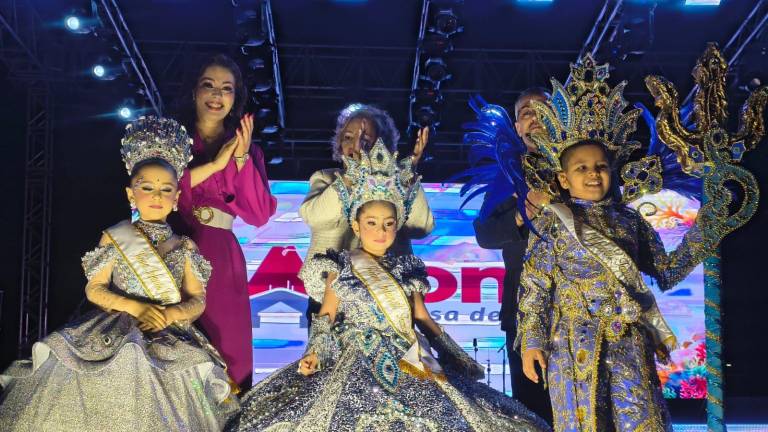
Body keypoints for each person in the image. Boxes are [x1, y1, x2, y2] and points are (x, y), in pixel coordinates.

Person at [225, 139, 551, 432]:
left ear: (397, 227)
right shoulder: (339, 265)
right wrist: (314, 353)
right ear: (355, 224)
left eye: (388, 224)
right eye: (371, 223)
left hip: (407, 355)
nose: (380, 231)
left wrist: (453, 355)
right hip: (351, 355)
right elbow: (326, 316)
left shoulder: (408, 267)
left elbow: (421, 318)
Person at [516, 56, 723, 431]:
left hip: (628, 340)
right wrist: (532, 341)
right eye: (581, 168)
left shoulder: (630, 220)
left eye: (600, 167)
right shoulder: (551, 222)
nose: (593, 174)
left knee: (641, 421)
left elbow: (667, 270)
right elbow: (534, 289)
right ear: (563, 179)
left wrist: (705, 231)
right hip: (572, 345)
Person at [0, 117, 238, 431]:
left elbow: (198, 299)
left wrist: (171, 314)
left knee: (194, 390)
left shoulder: (186, 247)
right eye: (147, 187)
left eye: (166, 189)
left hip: (169, 333)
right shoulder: (114, 236)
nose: (156, 195)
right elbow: (95, 289)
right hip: (114, 327)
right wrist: (137, 307)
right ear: (130, 194)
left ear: (177, 198)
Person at [173, 54, 277, 391]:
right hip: (175, 245)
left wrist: (242, 159)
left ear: (235, 99)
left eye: (226, 88)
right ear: (194, 92)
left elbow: (259, 214)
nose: (217, 95)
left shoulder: (246, 148)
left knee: (228, 350)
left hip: (221, 254)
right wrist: (216, 165)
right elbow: (162, 191)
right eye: (209, 85)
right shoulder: (174, 142)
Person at [298, 104, 434, 319]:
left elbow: (421, 227)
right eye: (348, 138)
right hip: (330, 296)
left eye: (366, 140)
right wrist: (352, 177)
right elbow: (315, 217)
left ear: (384, 145)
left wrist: (407, 178)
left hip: (389, 294)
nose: (356, 146)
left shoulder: (397, 182)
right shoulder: (325, 178)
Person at [472, 87, 553, 425]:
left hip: (585, 309)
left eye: (542, 109)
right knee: (534, 413)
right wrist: (522, 213)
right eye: (525, 113)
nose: (533, 118)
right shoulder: (508, 174)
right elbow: (485, 233)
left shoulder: (584, 165)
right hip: (523, 309)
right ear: (517, 127)